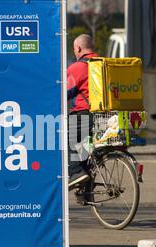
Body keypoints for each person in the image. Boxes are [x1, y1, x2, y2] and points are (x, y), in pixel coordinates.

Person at [67, 34, 98, 188]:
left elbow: (63, 92)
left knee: (67, 134)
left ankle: (75, 172)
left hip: (85, 114)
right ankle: (86, 190)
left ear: (78, 48)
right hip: (106, 117)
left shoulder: (77, 67)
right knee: (84, 145)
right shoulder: (104, 63)